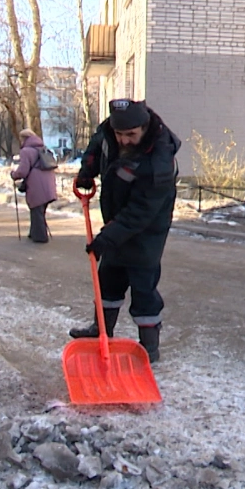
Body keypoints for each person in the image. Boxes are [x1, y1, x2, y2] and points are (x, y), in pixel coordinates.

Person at [69, 99, 180, 363]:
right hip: (117, 220)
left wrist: (107, 238)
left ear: (144, 127)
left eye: (131, 135)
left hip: (146, 232)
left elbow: (140, 212)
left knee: (143, 289)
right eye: (120, 134)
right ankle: (101, 331)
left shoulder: (159, 161)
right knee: (108, 279)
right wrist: (87, 170)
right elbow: (99, 144)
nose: (124, 140)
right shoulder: (110, 130)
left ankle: (149, 347)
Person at [10, 129, 59, 243]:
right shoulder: (44, 149)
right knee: (39, 210)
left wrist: (14, 174)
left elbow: (23, 171)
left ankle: (40, 236)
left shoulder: (26, 151)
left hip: (36, 185)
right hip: (49, 185)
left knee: (36, 209)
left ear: (24, 139)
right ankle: (34, 232)